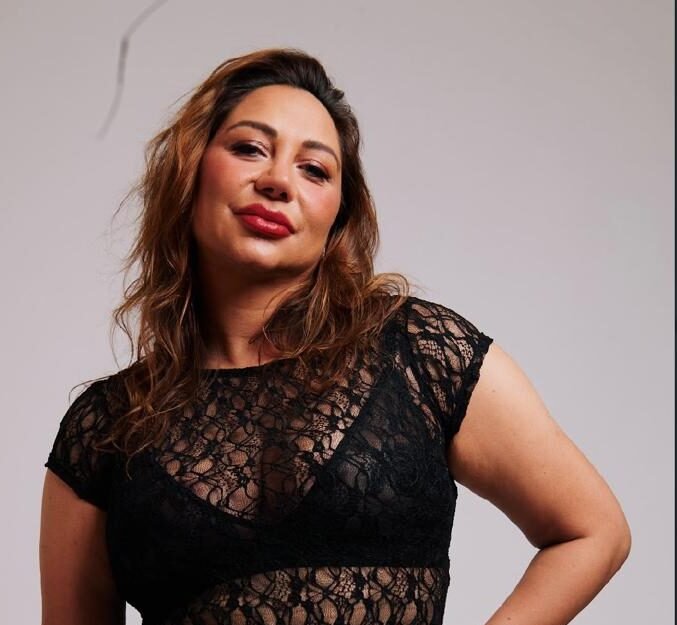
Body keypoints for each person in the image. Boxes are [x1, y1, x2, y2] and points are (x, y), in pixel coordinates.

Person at [39, 48, 630, 625]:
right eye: (249, 149)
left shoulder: (418, 354)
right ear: (189, 171)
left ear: (338, 217)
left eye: (314, 169)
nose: (278, 181)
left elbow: (593, 531)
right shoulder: (107, 427)